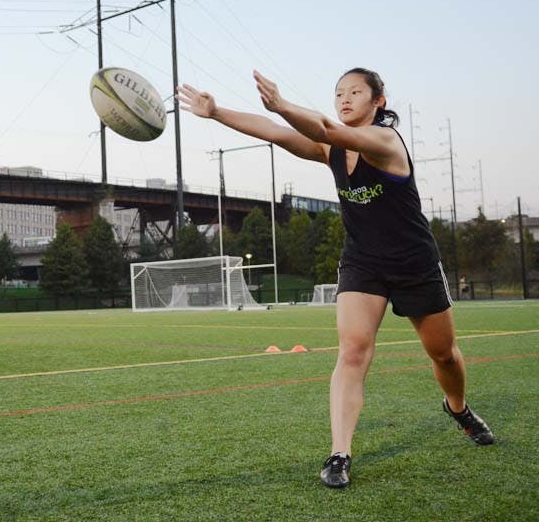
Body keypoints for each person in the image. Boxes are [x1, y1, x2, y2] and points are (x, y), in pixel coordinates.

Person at [177, 68, 495, 489]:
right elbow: (274, 132)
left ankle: (457, 407)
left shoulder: (385, 142)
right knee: (352, 352)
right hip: (363, 260)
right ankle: (339, 453)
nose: (344, 100)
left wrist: (284, 103)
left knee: (444, 355)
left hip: (414, 262)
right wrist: (217, 112)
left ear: (378, 101)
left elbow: (322, 126)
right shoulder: (330, 150)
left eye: (355, 93)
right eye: (339, 93)